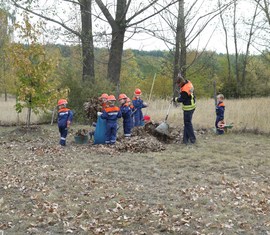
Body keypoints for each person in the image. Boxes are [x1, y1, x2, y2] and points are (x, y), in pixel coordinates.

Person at [173, 73, 196, 144]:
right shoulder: (188, 82)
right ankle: (185, 140)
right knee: (186, 123)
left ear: (181, 82)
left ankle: (193, 139)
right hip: (192, 105)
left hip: (188, 108)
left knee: (188, 124)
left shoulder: (185, 90)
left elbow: (182, 99)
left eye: (178, 84)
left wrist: (174, 99)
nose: (177, 85)